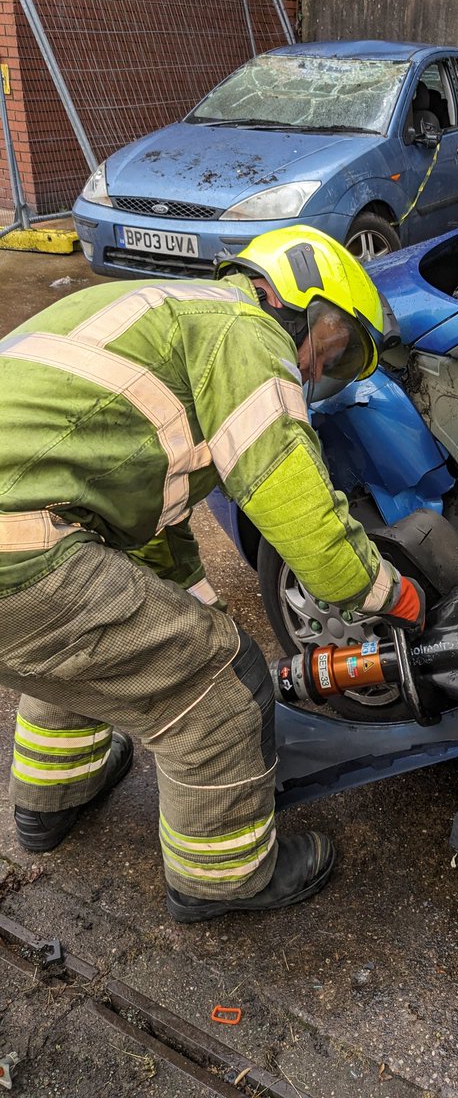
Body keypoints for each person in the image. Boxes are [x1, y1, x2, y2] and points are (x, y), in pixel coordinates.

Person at [0, 225, 425, 923]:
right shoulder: (245, 333)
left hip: (23, 542)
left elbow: (150, 543)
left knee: (98, 653)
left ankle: (53, 798)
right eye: (335, 345)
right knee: (217, 686)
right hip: (18, 553)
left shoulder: (168, 314)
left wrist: (204, 616)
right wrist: (389, 593)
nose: (321, 370)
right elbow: (302, 512)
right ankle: (224, 877)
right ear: (289, 300)